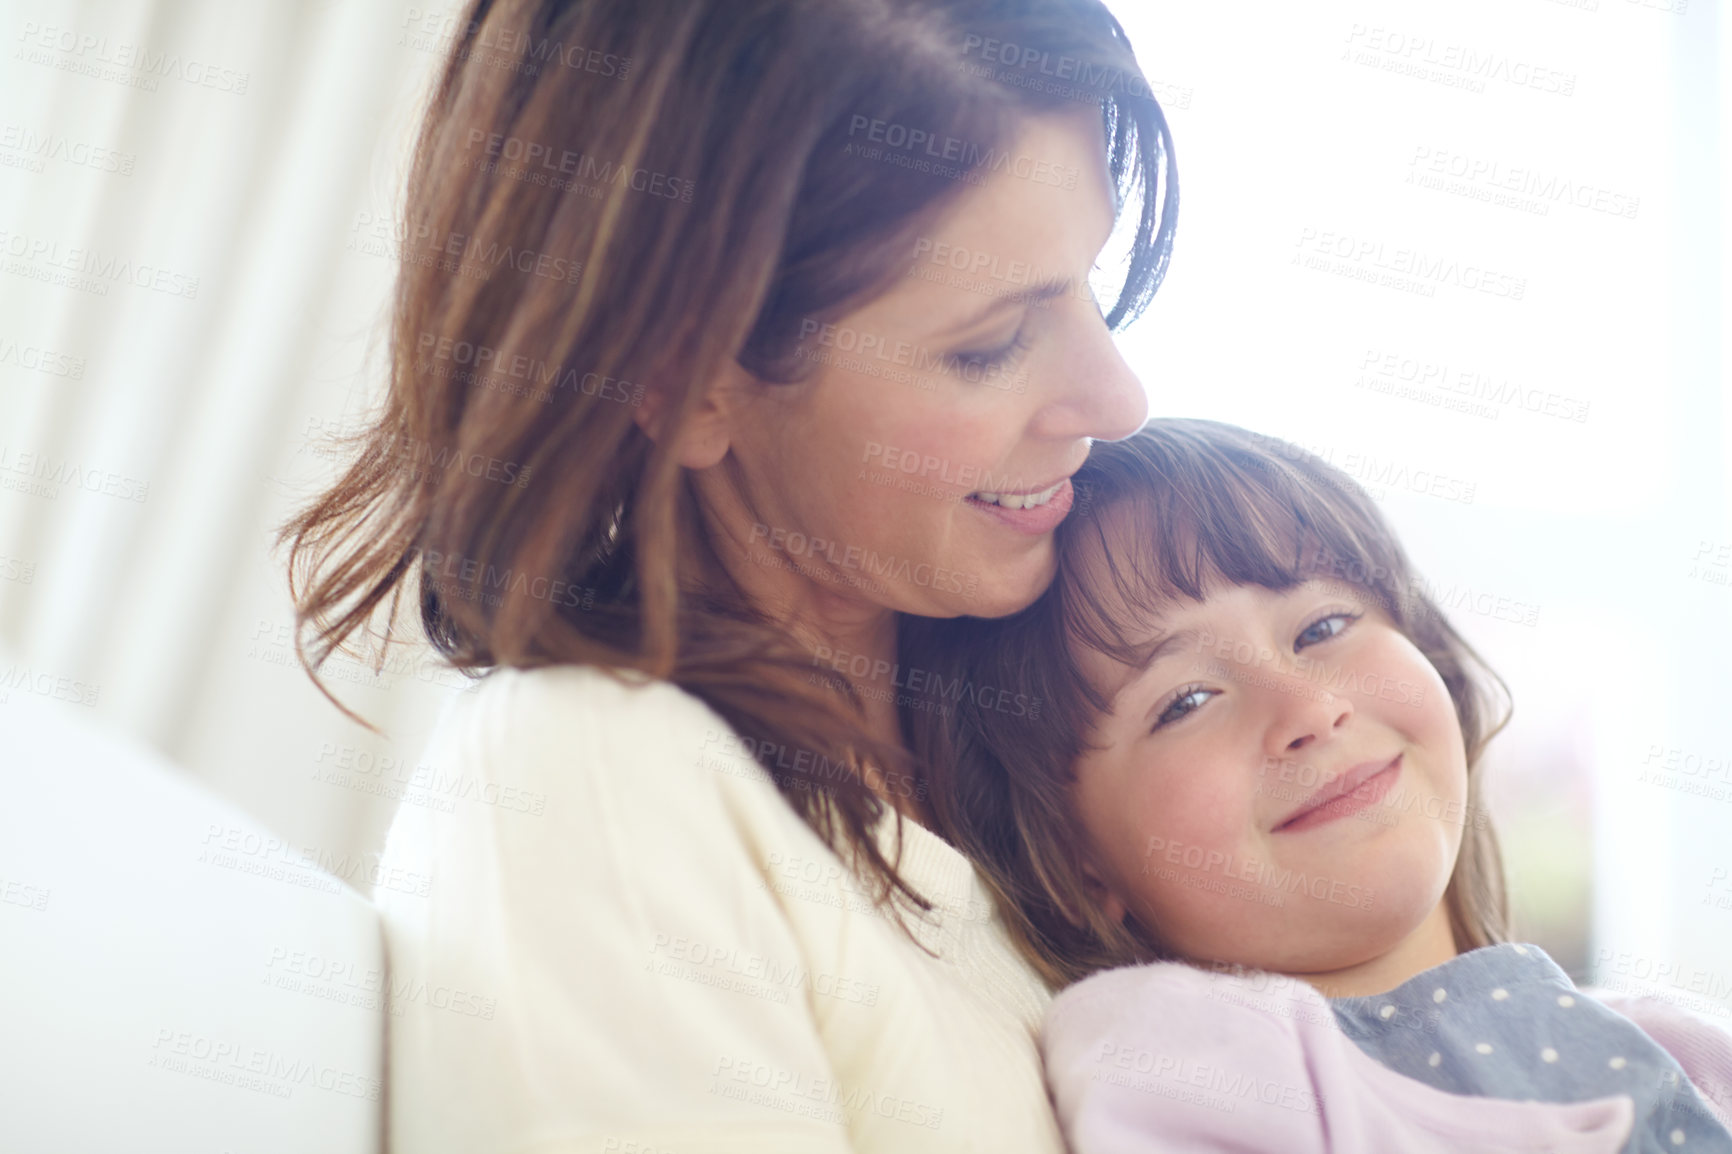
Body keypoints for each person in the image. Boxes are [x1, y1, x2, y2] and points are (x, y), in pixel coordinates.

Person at [280, 1, 1177, 1149]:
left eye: (1087, 284)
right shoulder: (593, 783)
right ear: (687, 377)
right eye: (988, 344)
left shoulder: (1042, 742)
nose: (1117, 400)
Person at [902, 418, 1732, 1152]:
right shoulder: (1179, 1051)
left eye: (1323, 626)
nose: (1310, 707)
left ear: (1433, 656)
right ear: (1077, 858)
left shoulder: (1683, 1046)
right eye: (1185, 701)